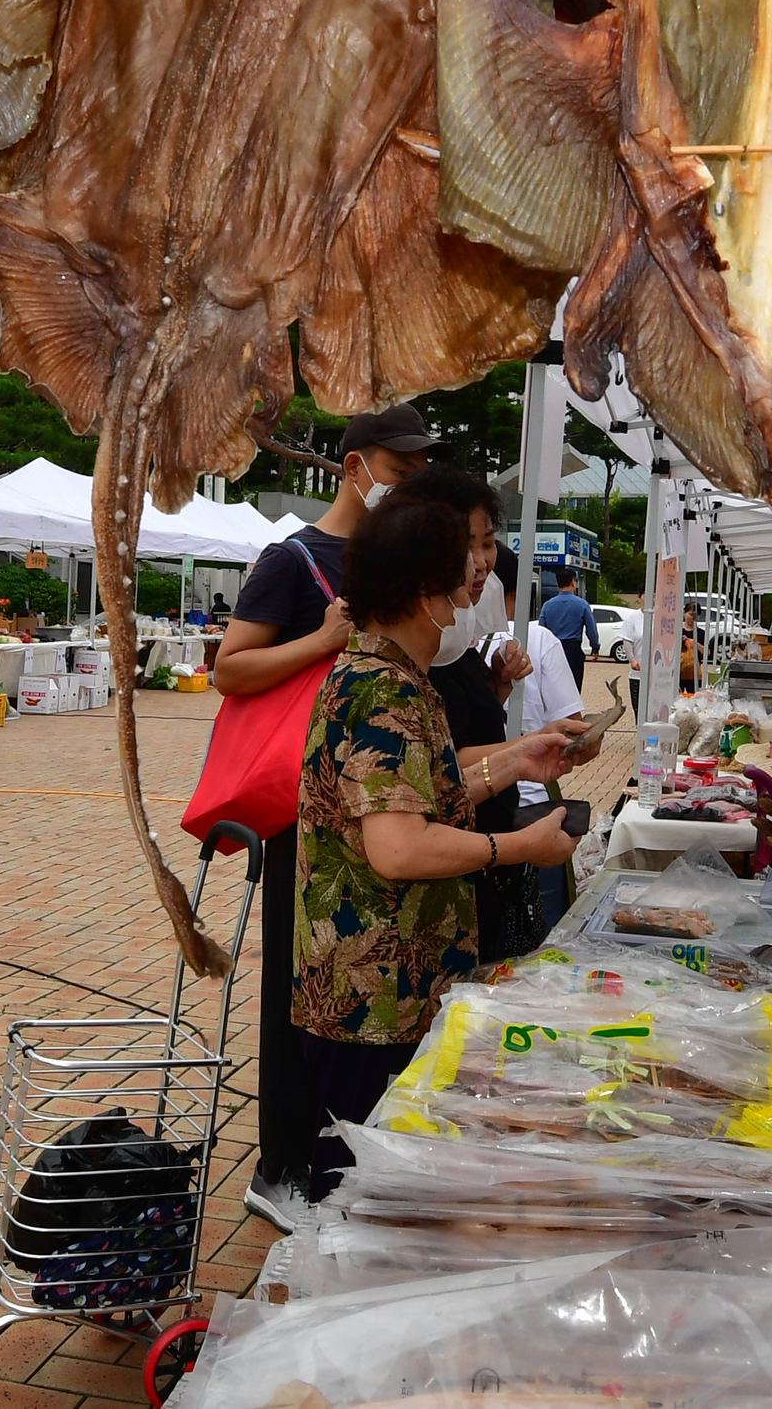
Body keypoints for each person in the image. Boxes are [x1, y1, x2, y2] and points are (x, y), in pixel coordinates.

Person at [295, 493, 578, 1199]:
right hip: (371, 1005)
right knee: (366, 1204)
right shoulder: (377, 692)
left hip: (400, 990)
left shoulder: (397, 680)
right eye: (466, 573)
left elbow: (424, 791)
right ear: (427, 594)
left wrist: (518, 760)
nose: (477, 585)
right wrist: (519, 847)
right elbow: (399, 849)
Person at [212, 403, 446, 1235]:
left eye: (418, 469)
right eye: (398, 466)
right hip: (305, 809)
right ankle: (281, 1165)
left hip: (382, 807)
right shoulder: (294, 557)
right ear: (354, 466)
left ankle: (340, 1152)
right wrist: (319, 643)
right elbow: (229, 669)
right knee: (298, 984)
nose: (409, 481)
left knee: (355, 989)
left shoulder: (404, 556)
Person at [399, 467, 549, 961]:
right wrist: (521, 845)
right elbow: (403, 842)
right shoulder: (389, 682)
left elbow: (444, 780)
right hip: (400, 961)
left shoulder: (449, 648)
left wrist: (520, 740)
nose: (481, 566)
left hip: (461, 893)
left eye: (488, 544)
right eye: (469, 546)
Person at [486, 542, 603, 931]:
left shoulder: (445, 648)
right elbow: (573, 731)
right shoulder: (538, 639)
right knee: (540, 951)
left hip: (470, 827)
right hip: (530, 816)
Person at [537, 568, 599, 692]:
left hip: (552, 650)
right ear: (573, 582)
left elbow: (541, 630)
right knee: (574, 688)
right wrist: (595, 647)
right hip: (573, 650)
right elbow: (591, 629)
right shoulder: (582, 604)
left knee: (553, 688)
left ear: (558, 583)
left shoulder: (548, 605)